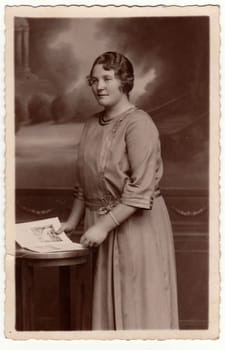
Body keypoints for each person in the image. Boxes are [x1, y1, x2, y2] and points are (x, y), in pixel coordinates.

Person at [57, 51, 179, 330]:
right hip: (96, 227)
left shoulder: (140, 124)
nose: (99, 86)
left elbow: (141, 189)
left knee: (135, 310)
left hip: (135, 228)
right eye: (94, 79)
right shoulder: (90, 124)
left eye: (107, 78)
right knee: (102, 314)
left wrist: (103, 226)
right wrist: (73, 222)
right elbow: (83, 181)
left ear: (125, 81)